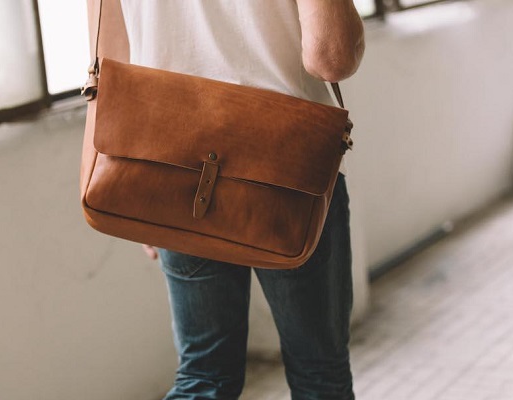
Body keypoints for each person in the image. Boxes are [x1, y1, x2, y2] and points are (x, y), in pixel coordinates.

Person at [118, 0, 365, 398]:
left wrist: (131, 183)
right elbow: (330, 56)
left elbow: (108, 57)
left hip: (171, 161)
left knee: (203, 374)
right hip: (288, 170)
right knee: (319, 371)